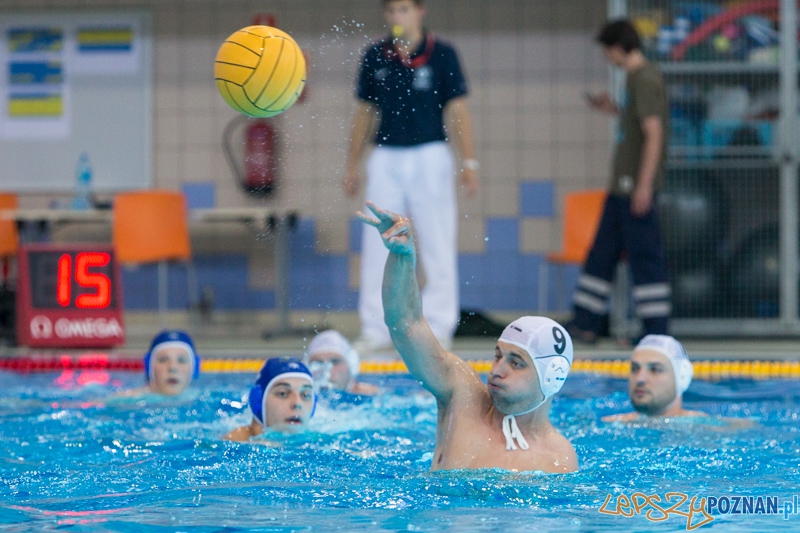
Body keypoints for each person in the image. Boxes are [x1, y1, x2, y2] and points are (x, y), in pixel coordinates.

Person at [359, 202, 578, 473]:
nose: (497, 370)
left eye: (516, 362)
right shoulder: (461, 397)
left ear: (552, 377)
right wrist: (404, 258)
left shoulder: (557, 459)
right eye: (498, 355)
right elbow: (405, 324)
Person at [344, 0, 479, 353]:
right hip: (385, 156)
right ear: (386, 16)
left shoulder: (443, 54)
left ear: (420, 11)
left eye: (404, 9)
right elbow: (364, 112)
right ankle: (375, 328)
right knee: (377, 241)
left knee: (437, 241)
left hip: (430, 153)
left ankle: (438, 327)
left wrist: (469, 162)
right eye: (391, 11)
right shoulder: (376, 54)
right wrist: (351, 165)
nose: (397, 17)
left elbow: (458, 109)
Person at [568, 19, 670, 345]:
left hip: (633, 188)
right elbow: (637, 124)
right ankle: (585, 322)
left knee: (645, 257)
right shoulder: (633, 80)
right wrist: (612, 109)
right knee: (601, 254)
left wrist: (644, 185)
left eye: (607, 51)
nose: (606, 57)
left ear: (617, 47)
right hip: (620, 188)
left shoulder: (644, 79)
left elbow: (654, 134)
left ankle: (656, 330)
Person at [602, 334, 703, 422]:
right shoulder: (608, 426)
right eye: (635, 368)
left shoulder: (708, 428)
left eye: (655, 370)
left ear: (682, 377)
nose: (639, 379)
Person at [224, 357, 315, 442]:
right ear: (258, 400)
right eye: (283, 393)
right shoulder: (233, 443)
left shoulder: (318, 441)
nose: (297, 403)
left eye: (305, 395)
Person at [117, 330, 200, 397]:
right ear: (149, 366)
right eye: (163, 360)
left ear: (195, 367)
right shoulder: (124, 401)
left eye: (181, 361)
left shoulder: (201, 398)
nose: (172, 368)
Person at [304, 330, 379, 395]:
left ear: (351, 366)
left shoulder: (372, 396)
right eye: (319, 362)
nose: (327, 369)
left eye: (335, 362)